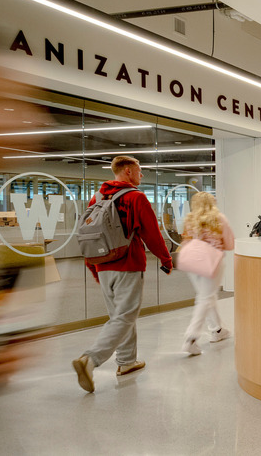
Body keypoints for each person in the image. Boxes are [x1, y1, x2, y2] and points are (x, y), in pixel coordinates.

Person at [71, 156, 174, 393]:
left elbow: (89, 235)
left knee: (120, 315)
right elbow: (152, 234)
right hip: (128, 264)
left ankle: (127, 361)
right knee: (125, 316)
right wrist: (166, 259)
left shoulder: (97, 197)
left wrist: (93, 267)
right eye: (140, 171)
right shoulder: (136, 197)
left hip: (103, 265)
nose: (142, 175)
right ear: (128, 171)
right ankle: (91, 359)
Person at [180, 192, 235, 356]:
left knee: (206, 296)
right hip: (212, 262)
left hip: (191, 262)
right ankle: (191, 337)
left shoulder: (190, 220)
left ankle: (217, 330)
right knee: (205, 298)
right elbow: (230, 243)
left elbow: (185, 240)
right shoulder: (219, 219)